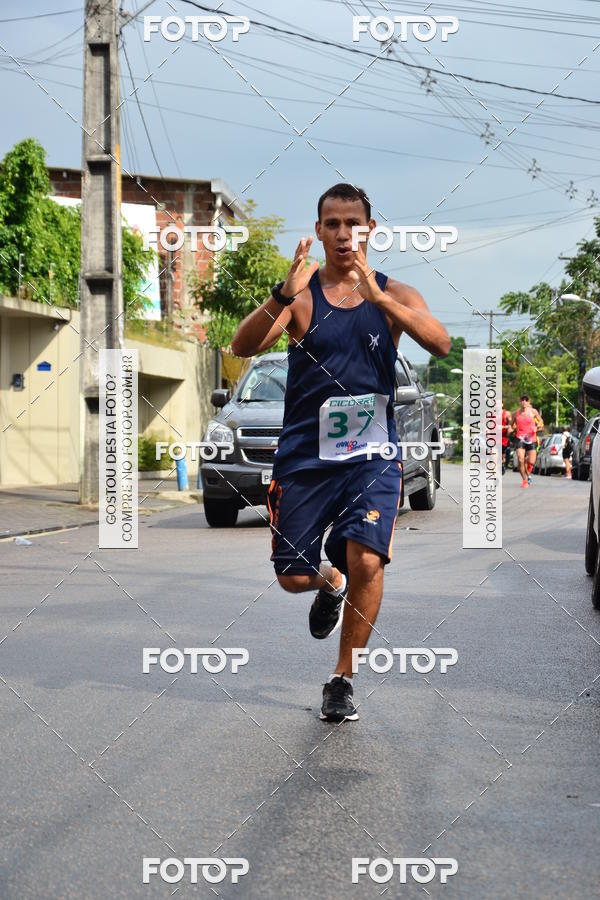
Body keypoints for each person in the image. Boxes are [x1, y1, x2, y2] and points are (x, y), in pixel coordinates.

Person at [231, 183, 450, 722]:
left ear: (370, 229)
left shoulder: (394, 293)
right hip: (306, 457)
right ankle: (327, 582)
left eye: (353, 223)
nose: (343, 233)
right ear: (320, 231)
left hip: (372, 456)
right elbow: (242, 346)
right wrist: (284, 292)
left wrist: (383, 301)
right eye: (332, 223)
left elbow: (441, 343)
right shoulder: (302, 295)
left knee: (367, 559)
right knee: (291, 577)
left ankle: (341, 678)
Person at [512, 395, 544, 489]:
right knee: (520, 459)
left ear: (528, 402)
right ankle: (524, 480)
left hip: (532, 439)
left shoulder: (533, 411)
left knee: (531, 462)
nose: (524, 402)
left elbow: (541, 420)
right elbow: (512, 425)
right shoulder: (516, 413)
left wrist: (537, 426)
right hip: (520, 438)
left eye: (526, 400)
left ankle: (527, 467)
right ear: (519, 402)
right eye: (522, 400)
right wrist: (511, 428)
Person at [501, 405, 513, 474]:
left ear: (502, 404)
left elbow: (511, 424)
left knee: (502, 457)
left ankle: (502, 464)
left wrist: (506, 427)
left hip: (503, 438)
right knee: (493, 456)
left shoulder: (506, 413)